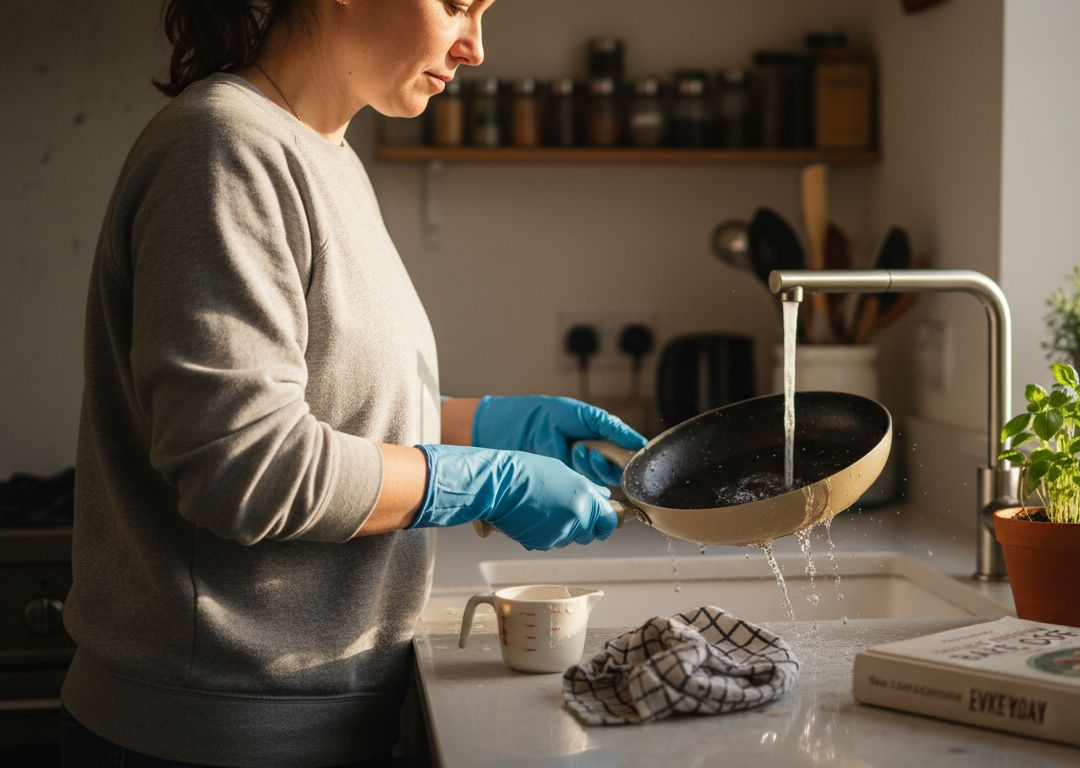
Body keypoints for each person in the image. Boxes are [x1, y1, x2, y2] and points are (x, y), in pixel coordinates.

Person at [60, 1, 645, 765]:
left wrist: (484, 427)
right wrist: (479, 480)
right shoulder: (224, 148)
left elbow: (316, 401)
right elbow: (246, 469)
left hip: (311, 716)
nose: (474, 47)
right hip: (211, 735)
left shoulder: (323, 152)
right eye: (458, 5)